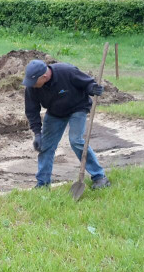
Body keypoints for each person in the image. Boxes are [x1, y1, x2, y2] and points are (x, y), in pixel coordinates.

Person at [22, 59, 111, 189]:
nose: (31, 85)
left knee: (76, 140)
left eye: (34, 82)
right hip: (55, 113)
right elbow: (31, 110)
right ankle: (43, 184)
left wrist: (93, 88)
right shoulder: (32, 87)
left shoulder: (66, 71)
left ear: (44, 77)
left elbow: (87, 84)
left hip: (78, 108)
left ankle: (99, 177)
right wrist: (37, 133)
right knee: (45, 146)